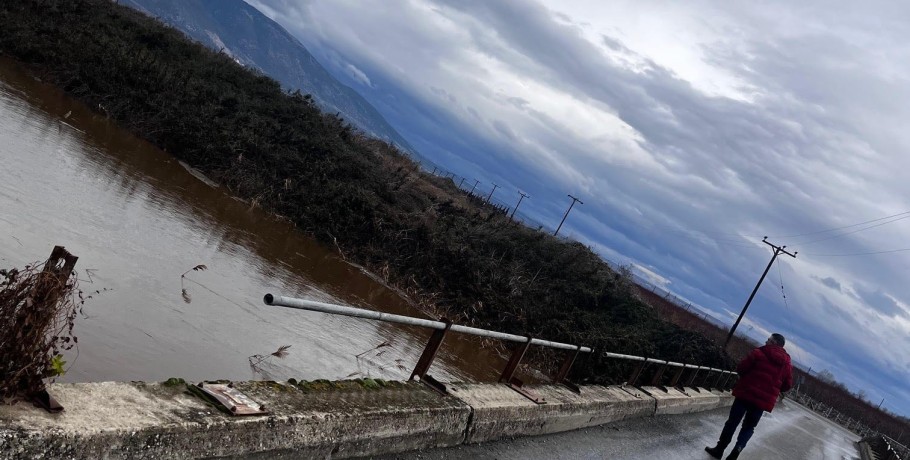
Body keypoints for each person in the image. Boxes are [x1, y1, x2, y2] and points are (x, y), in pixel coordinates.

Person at [705, 333, 794, 460]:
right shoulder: (787, 364)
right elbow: (787, 386)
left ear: (774, 343)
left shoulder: (758, 353)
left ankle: (719, 450)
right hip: (761, 402)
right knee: (749, 427)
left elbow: (741, 368)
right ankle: (736, 452)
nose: (766, 341)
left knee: (732, 423)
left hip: (745, 394)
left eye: (769, 340)